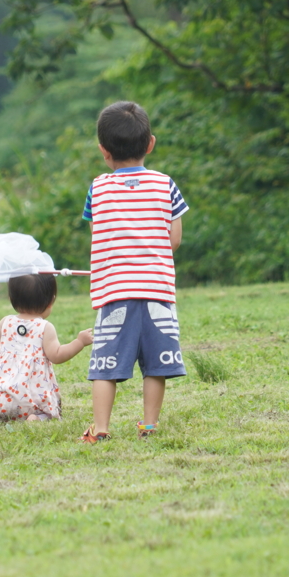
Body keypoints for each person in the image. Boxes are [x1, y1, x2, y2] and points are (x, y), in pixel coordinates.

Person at [80, 101, 189, 443]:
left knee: (105, 364)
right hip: (156, 289)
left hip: (115, 292)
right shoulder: (165, 185)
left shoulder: (97, 189)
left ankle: (101, 429)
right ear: (150, 144)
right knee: (156, 364)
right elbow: (174, 238)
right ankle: (149, 425)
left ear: (104, 151)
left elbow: (100, 235)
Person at [0, 274, 93, 426]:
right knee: (42, 414)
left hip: (1, 396)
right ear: (51, 301)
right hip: (31, 398)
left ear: (11, 298)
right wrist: (79, 342)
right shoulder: (44, 327)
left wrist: (9, 365)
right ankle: (35, 419)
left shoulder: (5, 322)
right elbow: (57, 355)